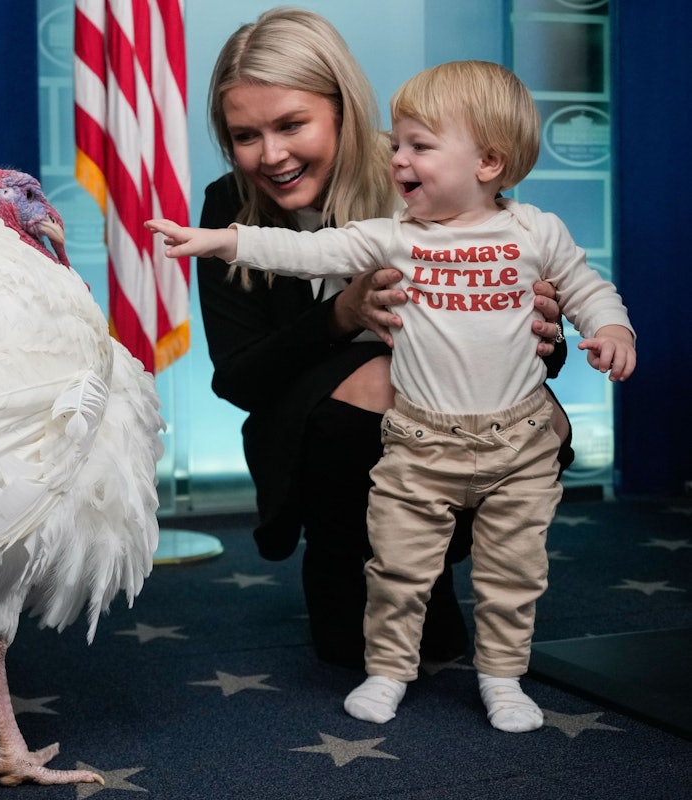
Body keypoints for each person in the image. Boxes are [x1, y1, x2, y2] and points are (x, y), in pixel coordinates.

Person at [148, 58, 636, 733]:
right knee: (397, 570)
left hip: (506, 434)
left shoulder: (529, 229)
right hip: (407, 437)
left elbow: (583, 289)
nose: (271, 153)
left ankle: (502, 677)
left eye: (291, 124)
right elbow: (304, 258)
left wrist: (595, 330)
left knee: (513, 574)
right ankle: (385, 662)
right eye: (245, 134)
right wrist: (217, 242)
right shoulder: (395, 232)